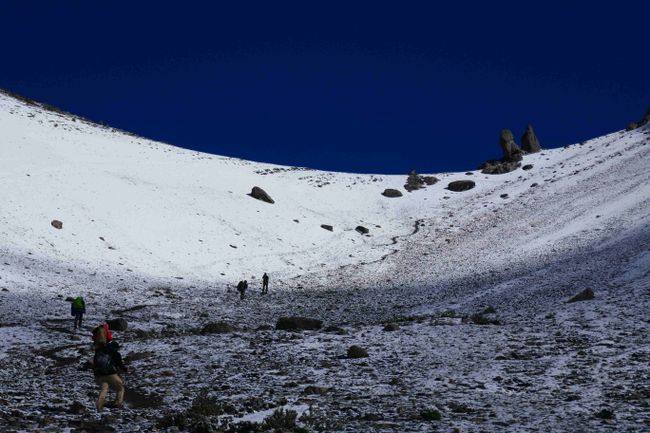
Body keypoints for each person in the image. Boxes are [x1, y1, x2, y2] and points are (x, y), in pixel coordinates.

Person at [92, 325, 127, 411]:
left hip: (99, 374)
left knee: (104, 387)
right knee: (120, 388)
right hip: (110, 373)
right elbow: (119, 363)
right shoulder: (114, 352)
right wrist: (125, 369)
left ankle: (99, 403)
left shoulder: (99, 350)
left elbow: (95, 361)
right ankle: (118, 403)